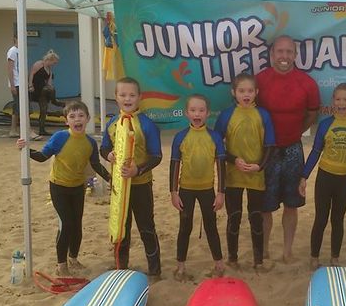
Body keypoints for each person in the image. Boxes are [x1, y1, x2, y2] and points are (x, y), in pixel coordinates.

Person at [16, 100, 110, 276]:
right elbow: (43, 156)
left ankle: (73, 259)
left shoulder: (90, 143)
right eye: (72, 116)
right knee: (67, 224)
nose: (77, 119)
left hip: (77, 187)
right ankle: (61, 264)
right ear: (66, 121)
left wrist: (110, 178)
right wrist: (26, 150)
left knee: (77, 225)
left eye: (81, 115)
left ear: (88, 118)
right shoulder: (60, 137)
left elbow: (96, 165)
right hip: (58, 186)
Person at [256, 35, 320, 262]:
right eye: (280, 52)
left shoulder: (307, 83)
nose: (284, 56)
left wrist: (293, 133)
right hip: (267, 152)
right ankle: (263, 250)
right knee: (265, 206)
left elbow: (312, 114)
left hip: (293, 149)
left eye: (289, 52)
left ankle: (287, 251)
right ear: (272, 54)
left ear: (295, 55)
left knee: (292, 205)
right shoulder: (259, 81)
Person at [299, 83, 346, 270]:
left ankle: (334, 257)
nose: (341, 103)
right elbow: (315, 152)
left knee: (338, 220)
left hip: (344, 180)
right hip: (325, 178)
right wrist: (304, 176)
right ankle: (314, 256)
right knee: (321, 218)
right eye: (338, 99)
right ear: (332, 101)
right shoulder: (325, 124)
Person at [100, 77, 162, 279]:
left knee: (146, 227)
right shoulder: (112, 123)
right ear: (116, 97)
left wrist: (139, 170)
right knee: (121, 227)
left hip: (141, 186)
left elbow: (157, 155)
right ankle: (121, 266)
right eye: (123, 95)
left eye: (132, 95)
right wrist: (108, 155)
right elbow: (104, 147)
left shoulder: (147, 124)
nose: (128, 99)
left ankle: (155, 269)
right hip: (119, 187)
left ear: (140, 97)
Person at [214, 74, 275, 271]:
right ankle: (232, 257)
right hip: (233, 175)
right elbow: (217, 145)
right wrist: (234, 159)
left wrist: (260, 166)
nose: (246, 95)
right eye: (241, 91)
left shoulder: (263, 115)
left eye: (250, 91)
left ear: (257, 92)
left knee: (256, 216)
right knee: (234, 217)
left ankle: (258, 260)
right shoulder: (226, 115)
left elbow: (270, 145)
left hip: (256, 174)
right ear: (234, 93)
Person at [170, 94, 226, 281]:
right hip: (186, 189)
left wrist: (220, 193)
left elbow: (221, 166)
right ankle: (180, 267)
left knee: (211, 227)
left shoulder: (214, 137)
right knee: (185, 227)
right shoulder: (180, 137)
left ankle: (219, 264)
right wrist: (173, 192)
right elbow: (175, 165)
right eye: (193, 110)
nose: (197, 114)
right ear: (186, 113)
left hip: (207, 190)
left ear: (208, 113)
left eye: (201, 110)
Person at [6, 35, 40, 141]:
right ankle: (28, 131)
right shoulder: (13, 51)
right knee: (23, 107)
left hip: (21, 83)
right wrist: (12, 85)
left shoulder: (21, 51)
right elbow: (10, 69)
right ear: (15, 39)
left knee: (17, 107)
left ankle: (13, 130)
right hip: (17, 83)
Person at [29, 49, 65, 136]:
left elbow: (49, 83)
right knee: (49, 89)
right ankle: (55, 101)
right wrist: (30, 85)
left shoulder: (49, 69)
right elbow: (31, 74)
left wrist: (51, 89)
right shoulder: (39, 64)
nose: (54, 64)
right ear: (50, 60)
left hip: (44, 91)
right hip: (36, 88)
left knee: (43, 110)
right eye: (54, 63)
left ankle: (42, 130)